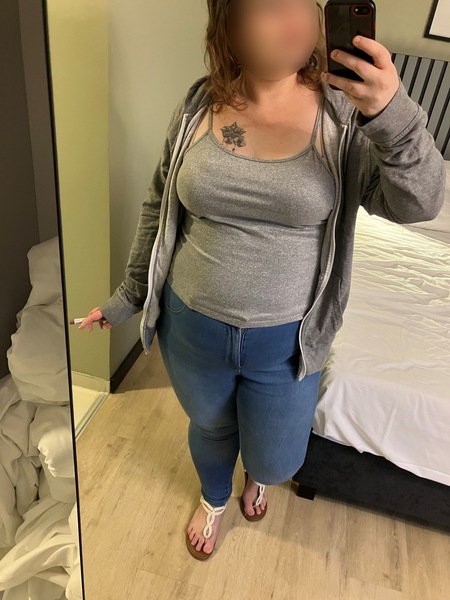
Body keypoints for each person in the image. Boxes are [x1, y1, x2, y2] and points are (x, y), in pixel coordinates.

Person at [78, 0, 446, 561]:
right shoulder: (198, 104)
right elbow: (159, 204)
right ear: (228, 24)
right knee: (209, 427)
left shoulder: (345, 118)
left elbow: (420, 203)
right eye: (269, 5)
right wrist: (130, 295)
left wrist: (391, 115)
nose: (294, 16)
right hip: (190, 327)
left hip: (287, 343)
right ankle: (214, 498)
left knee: (276, 460)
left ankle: (257, 476)